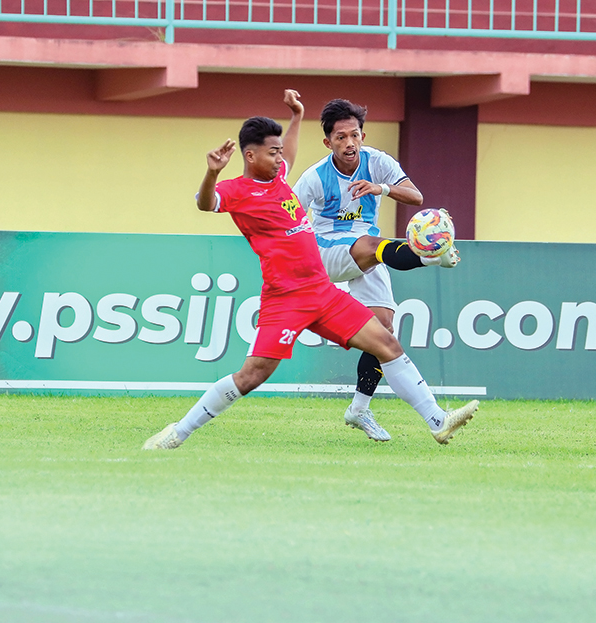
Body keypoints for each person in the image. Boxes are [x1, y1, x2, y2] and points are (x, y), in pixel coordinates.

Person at [143, 90, 479, 451]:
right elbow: (205, 203)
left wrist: (297, 115)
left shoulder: (279, 177)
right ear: (250, 156)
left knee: (386, 342)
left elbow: (289, 149)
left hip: (322, 290)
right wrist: (212, 172)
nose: (280, 159)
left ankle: (437, 421)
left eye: (279, 153)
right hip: (286, 298)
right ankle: (179, 431)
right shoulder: (237, 191)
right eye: (271, 154)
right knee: (252, 375)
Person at [293, 98, 459, 442]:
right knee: (373, 246)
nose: (349, 143)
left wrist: (380, 187)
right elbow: (289, 218)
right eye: (340, 137)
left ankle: (363, 409)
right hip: (327, 250)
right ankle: (432, 257)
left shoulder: (378, 162)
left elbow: (415, 196)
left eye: (354, 135)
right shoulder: (315, 177)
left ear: (363, 136)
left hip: (367, 249)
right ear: (327, 142)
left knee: (384, 330)